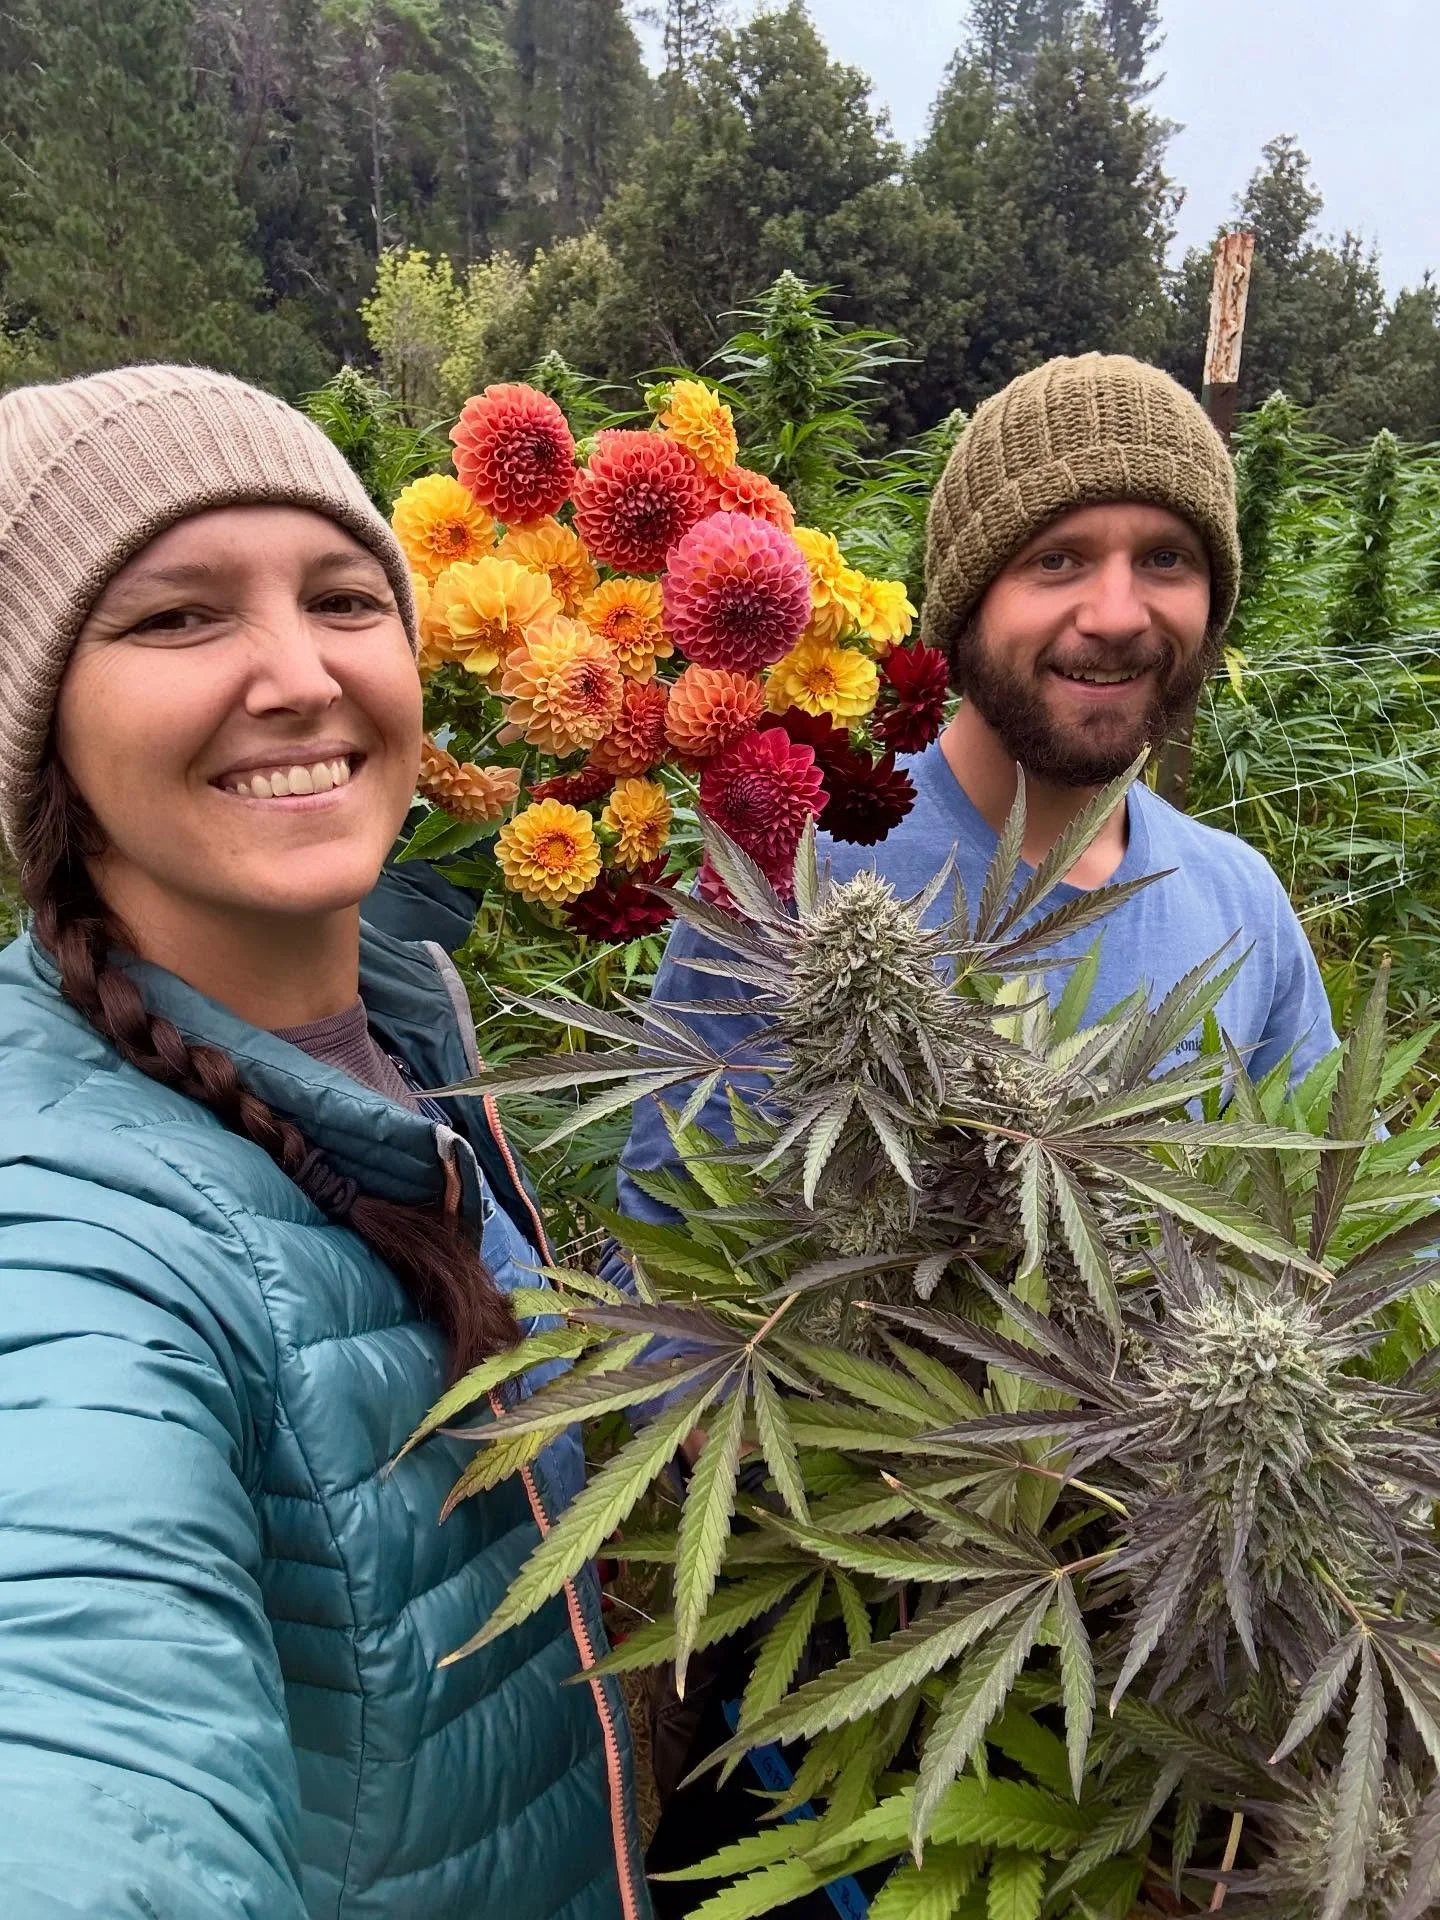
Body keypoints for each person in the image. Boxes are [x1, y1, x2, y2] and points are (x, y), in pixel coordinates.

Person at [0, 367, 649, 1920]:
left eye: (346, 599)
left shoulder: (405, 1042)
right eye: (176, 617)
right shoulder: (72, 1241)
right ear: (43, 733)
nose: (298, 677)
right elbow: (88, 1745)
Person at [617, 352, 1338, 1224]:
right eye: (1058, 560)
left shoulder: (1243, 902)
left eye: (1166, 559)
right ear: (966, 606)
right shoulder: (794, 866)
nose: (1117, 614)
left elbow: (1341, 1221)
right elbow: (665, 1246)